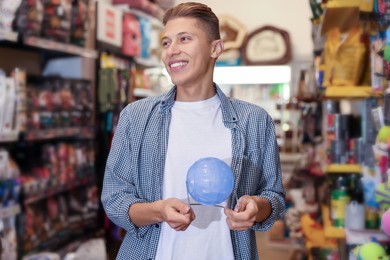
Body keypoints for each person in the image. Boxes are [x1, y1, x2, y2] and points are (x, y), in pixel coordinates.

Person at [101, 2, 286, 259]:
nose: (171, 51)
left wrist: (258, 207)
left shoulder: (254, 120)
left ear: (215, 48)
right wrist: (158, 211)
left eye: (184, 39)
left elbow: (273, 196)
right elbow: (114, 198)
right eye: (166, 43)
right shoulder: (136, 117)